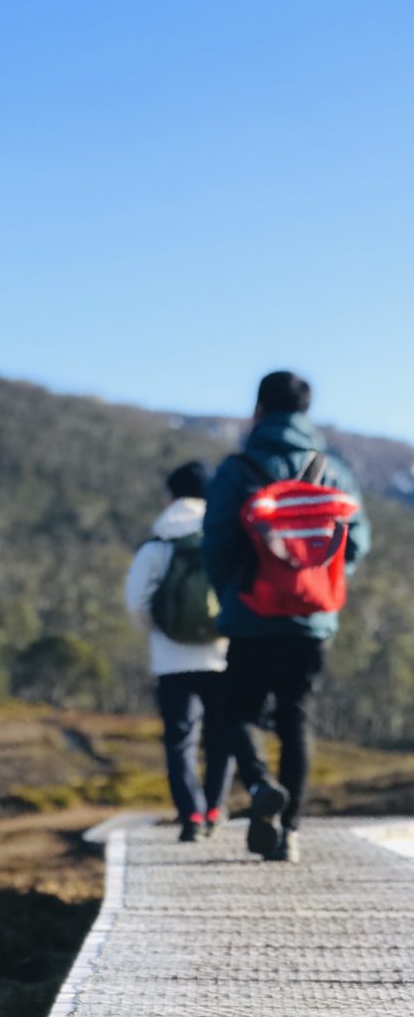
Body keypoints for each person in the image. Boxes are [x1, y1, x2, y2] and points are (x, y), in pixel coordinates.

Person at [201, 370, 371, 863]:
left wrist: (232, 593)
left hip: (250, 613)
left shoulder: (239, 469)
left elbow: (216, 543)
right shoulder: (333, 468)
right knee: (296, 720)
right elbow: (355, 542)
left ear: (258, 410)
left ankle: (258, 785)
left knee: (237, 711)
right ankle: (289, 833)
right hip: (312, 620)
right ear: (305, 412)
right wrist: (318, 582)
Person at [124, 460, 231, 840]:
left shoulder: (159, 542)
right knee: (222, 735)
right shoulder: (224, 534)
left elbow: (137, 601)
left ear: (170, 495)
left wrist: (160, 633)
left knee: (180, 740)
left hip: (172, 660)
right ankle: (216, 806)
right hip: (222, 654)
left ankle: (192, 817)